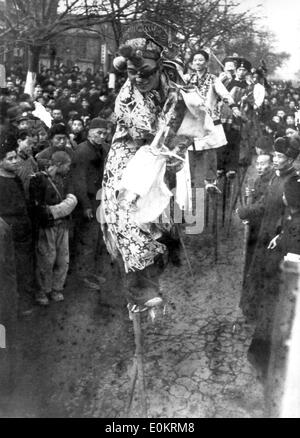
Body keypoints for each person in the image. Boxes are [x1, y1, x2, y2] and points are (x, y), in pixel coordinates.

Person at [100, 21, 203, 309]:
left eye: (145, 72)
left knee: (171, 205)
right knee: (126, 209)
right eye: (132, 73)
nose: (138, 78)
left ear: (160, 67)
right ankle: (138, 288)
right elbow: (146, 132)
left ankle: (168, 254)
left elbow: (188, 118)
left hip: (164, 153)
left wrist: (180, 138)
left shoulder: (174, 82)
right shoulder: (127, 97)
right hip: (130, 153)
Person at [243, 134, 300, 377]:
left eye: (280, 156)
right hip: (269, 237)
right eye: (274, 155)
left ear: (291, 159)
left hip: (280, 246)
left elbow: (293, 216)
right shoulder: (277, 180)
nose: (276, 160)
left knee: (273, 294)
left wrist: (282, 234)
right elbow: (266, 203)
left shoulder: (292, 182)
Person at [184, 50, 241, 192]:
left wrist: (234, 107)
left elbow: (224, 94)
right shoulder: (187, 79)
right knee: (189, 149)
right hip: (192, 118)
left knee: (209, 148)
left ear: (207, 62)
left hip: (208, 117)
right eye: (195, 60)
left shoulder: (213, 79)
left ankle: (210, 181)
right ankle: (190, 180)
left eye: (201, 60)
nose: (198, 63)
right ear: (192, 63)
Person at [29, 151, 77, 305]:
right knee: (46, 259)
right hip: (46, 227)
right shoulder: (37, 180)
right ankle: (43, 290)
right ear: (59, 165)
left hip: (63, 226)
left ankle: (57, 288)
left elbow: (73, 199)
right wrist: (62, 209)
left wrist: (53, 210)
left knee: (63, 259)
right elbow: (38, 208)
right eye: (67, 165)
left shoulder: (66, 179)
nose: (69, 169)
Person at [72, 117, 111, 286]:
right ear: (89, 133)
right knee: (87, 239)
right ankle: (83, 275)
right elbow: (78, 180)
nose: (101, 136)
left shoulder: (104, 149)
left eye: (104, 133)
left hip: (101, 199)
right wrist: (86, 205)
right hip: (88, 201)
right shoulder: (81, 151)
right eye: (98, 133)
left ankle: (92, 272)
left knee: (98, 239)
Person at [0, 142, 34, 308]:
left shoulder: (16, 178)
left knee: (25, 266)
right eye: (10, 158)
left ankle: (25, 302)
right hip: (9, 232)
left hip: (23, 230)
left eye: (16, 157)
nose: (15, 161)